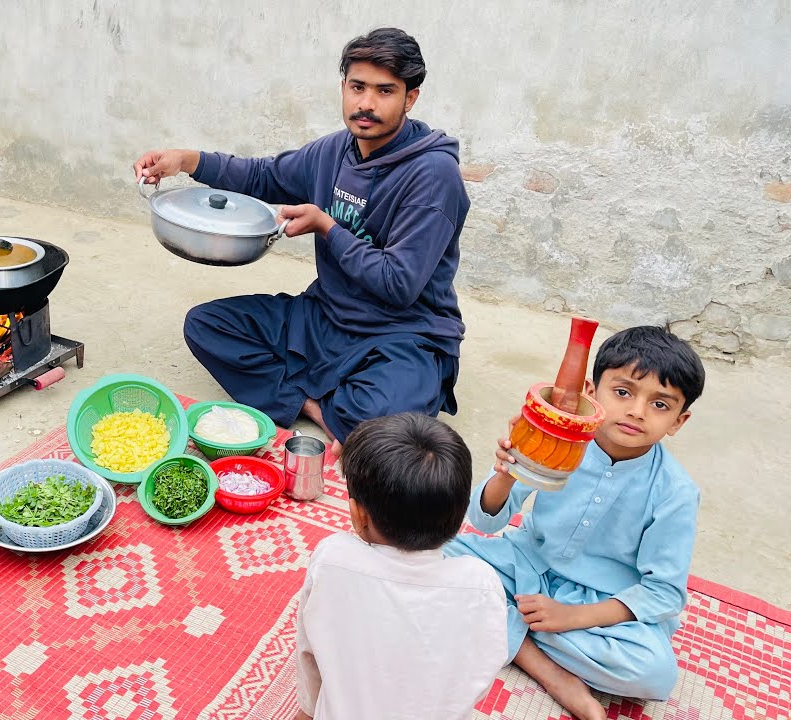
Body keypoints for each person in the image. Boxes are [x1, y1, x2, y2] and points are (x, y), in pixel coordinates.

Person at [134, 28, 469, 453]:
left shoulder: (433, 174)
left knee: (386, 429)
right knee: (206, 325)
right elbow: (263, 175)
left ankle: (331, 400)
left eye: (385, 91)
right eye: (358, 87)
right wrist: (186, 160)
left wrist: (328, 227)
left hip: (401, 333)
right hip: (326, 316)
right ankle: (316, 407)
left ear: (410, 98)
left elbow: (398, 284)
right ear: (344, 87)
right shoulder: (334, 150)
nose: (366, 103)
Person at [444, 326, 706, 720]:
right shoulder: (558, 438)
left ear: (678, 421)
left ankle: (503, 624)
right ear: (590, 392)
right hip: (522, 566)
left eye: (659, 404)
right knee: (432, 552)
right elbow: (484, 520)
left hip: (597, 606)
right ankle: (544, 667)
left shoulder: (675, 491)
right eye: (623, 392)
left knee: (654, 673)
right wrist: (509, 470)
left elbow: (664, 594)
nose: (637, 411)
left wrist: (571, 617)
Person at [294, 413, 507, 719]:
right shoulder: (481, 584)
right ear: (460, 517)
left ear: (358, 515)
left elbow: (310, 654)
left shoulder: (333, 559)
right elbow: (479, 673)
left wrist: (308, 710)